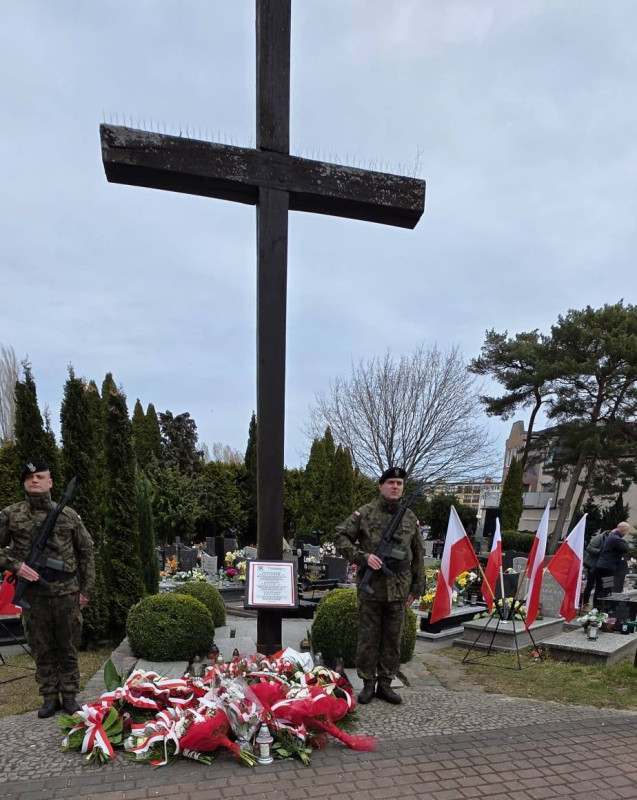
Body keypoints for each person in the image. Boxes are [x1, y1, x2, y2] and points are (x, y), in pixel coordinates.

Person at [0, 459, 95, 718]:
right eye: (29, 477)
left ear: (50, 482)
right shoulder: (11, 514)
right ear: (24, 483)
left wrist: (86, 590)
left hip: (66, 593)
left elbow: (86, 551)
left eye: (40, 477)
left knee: (68, 646)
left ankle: (70, 696)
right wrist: (17, 566)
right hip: (34, 596)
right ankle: (49, 697)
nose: (34, 480)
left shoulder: (68, 515)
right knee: (41, 647)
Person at [334, 467, 424, 705]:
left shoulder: (409, 517)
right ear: (381, 486)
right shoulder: (365, 513)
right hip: (372, 587)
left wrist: (416, 588)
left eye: (399, 483)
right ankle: (367, 684)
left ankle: (385, 684)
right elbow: (340, 537)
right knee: (368, 638)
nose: (395, 487)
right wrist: (363, 557)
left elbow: (418, 554)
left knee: (393, 638)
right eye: (391, 482)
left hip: (399, 587)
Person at [592, 522, 630, 609]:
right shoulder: (616, 539)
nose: (626, 533)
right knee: (606, 588)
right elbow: (625, 549)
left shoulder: (609, 537)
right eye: (627, 530)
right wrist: (625, 542)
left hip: (601, 565)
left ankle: (595, 608)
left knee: (598, 587)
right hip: (608, 568)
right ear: (623, 530)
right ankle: (602, 609)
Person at [581, 529, 610, 610]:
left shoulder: (614, 540)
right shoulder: (599, 537)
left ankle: (598, 606)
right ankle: (586, 604)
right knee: (590, 584)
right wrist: (601, 551)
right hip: (593, 565)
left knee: (602, 586)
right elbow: (589, 548)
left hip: (605, 566)